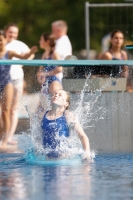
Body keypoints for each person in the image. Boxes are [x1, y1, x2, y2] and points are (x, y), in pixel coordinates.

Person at [0, 30, 37, 147]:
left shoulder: (9, 53)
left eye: (1, 40)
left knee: (6, 111)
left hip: (7, 84)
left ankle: (5, 139)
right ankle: (2, 134)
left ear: (5, 40)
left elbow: (22, 56)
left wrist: (30, 52)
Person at [41, 89, 91, 159]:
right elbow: (37, 137)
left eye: (60, 95)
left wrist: (87, 153)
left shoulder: (68, 115)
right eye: (54, 94)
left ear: (66, 104)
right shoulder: (43, 115)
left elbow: (83, 136)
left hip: (64, 159)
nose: (56, 95)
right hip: (47, 159)